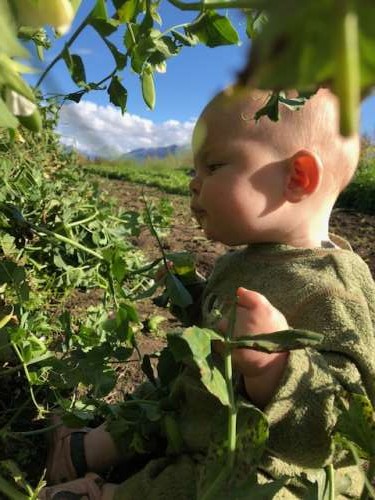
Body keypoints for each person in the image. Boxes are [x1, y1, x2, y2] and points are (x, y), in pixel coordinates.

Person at [40, 86, 375, 500]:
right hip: (195, 415)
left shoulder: (334, 284)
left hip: (263, 460)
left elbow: (342, 418)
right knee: (154, 406)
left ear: (297, 177)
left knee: (226, 490)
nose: (194, 184)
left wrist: (274, 364)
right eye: (193, 170)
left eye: (213, 166)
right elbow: (216, 321)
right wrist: (191, 292)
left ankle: (106, 494)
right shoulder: (239, 261)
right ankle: (80, 451)